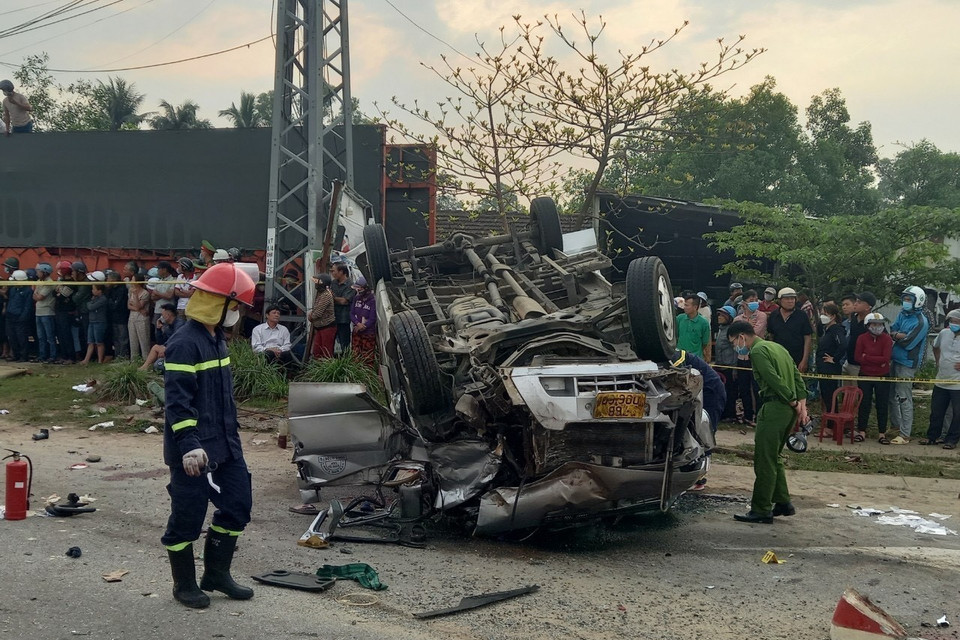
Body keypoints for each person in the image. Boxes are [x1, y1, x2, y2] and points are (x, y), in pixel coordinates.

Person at [161, 263, 257, 609]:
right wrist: (188, 446)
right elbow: (177, 402)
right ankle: (183, 584)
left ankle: (216, 575)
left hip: (226, 445)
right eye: (236, 307)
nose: (237, 314)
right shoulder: (184, 344)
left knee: (237, 506)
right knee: (186, 517)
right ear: (219, 303)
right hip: (193, 449)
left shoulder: (216, 339)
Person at [726, 321, 807, 524]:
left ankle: (761, 508)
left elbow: (772, 379)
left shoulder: (758, 352)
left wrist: (791, 399)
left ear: (742, 336)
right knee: (775, 457)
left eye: (735, 341)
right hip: (787, 410)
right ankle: (782, 502)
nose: (737, 346)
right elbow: (796, 375)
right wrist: (800, 404)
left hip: (774, 407)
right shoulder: (776, 347)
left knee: (764, 460)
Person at [671, 348, 725, 490]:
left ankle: (699, 478)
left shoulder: (675, 355)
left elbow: (677, 375)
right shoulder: (672, 353)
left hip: (710, 392)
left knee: (703, 433)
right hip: (698, 393)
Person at [888, 286, 930, 444]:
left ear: (917, 301)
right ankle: (895, 426)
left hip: (907, 363)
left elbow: (908, 342)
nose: (905, 302)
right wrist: (898, 335)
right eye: (904, 299)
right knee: (891, 395)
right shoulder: (902, 314)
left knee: (904, 397)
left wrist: (897, 336)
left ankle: (905, 434)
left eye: (909, 299)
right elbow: (892, 330)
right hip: (894, 358)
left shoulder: (921, 322)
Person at [921, 309, 960, 448]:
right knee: (936, 412)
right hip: (941, 380)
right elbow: (935, 347)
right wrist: (938, 361)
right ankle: (932, 436)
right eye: (952, 322)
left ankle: (951, 440)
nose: (954, 324)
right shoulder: (944, 333)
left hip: (957, 384)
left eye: (957, 322)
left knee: (957, 414)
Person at [856, 313, 894, 444]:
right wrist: (876, 360)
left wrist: (867, 357)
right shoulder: (861, 338)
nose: (877, 327)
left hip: (882, 376)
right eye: (874, 324)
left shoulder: (887, 339)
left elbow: (886, 358)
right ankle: (861, 432)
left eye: (880, 324)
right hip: (865, 374)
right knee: (863, 403)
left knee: (882, 404)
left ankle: (882, 434)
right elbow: (857, 357)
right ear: (868, 325)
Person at [816, 302, 847, 426]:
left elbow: (843, 344)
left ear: (833, 316)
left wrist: (834, 359)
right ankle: (829, 422)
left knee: (830, 396)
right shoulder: (826, 329)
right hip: (822, 368)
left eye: (825, 314)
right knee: (825, 395)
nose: (822, 316)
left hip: (830, 368)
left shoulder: (836, 329)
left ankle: (831, 426)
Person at [767, 287, 812, 372]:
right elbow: (771, 336)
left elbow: (808, 337)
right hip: (778, 358)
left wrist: (804, 361)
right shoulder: (774, 315)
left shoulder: (802, 315)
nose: (790, 301)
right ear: (780, 301)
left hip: (797, 359)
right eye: (787, 299)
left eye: (792, 298)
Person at [140, 304, 185, 371]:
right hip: (170, 348)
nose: (161, 317)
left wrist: (165, 348)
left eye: (162, 315)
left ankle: (145, 367)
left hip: (180, 350)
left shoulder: (180, 324)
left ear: (168, 315)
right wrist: (158, 329)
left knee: (158, 365)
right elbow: (160, 342)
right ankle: (144, 367)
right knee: (156, 348)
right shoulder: (167, 326)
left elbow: (177, 339)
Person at [713, 305, 739, 422]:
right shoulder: (721, 329)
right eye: (718, 314)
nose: (719, 317)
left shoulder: (731, 330)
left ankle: (730, 415)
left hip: (729, 366)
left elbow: (735, 350)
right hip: (720, 365)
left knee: (730, 392)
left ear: (729, 317)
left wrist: (734, 368)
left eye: (722, 315)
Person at [844, 292, 876, 377]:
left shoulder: (873, 322)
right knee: (845, 389)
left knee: (857, 389)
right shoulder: (854, 317)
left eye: (859, 302)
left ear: (868, 307)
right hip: (848, 361)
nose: (855, 304)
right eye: (856, 301)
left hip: (861, 365)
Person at [53, 261, 78, 363]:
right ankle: (63, 355)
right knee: (60, 335)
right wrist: (57, 293)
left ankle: (71, 357)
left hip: (66, 312)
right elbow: (54, 293)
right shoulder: (62, 281)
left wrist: (57, 293)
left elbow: (61, 296)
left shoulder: (71, 283)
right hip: (59, 311)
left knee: (66, 334)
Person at [4, 270, 31, 362]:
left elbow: (27, 306)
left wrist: (23, 317)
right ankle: (15, 355)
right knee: (12, 337)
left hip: (20, 318)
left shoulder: (27, 291)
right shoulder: (12, 289)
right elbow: (9, 300)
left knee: (21, 338)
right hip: (10, 316)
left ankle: (23, 356)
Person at [350, 276, 378, 365]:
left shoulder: (373, 300)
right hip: (356, 332)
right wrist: (357, 324)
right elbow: (351, 313)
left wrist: (363, 326)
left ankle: (368, 377)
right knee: (355, 356)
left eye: (360, 288)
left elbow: (373, 318)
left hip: (369, 333)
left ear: (366, 288)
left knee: (368, 357)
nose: (358, 290)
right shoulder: (356, 298)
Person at [33, 263, 57, 363]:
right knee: (41, 336)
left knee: (50, 336)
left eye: (38, 271)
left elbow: (39, 297)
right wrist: (36, 294)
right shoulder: (39, 281)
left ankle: (53, 356)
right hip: (38, 312)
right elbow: (34, 296)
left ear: (44, 272)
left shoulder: (49, 283)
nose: (37, 273)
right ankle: (42, 355)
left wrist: (36, 293)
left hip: (47, 312)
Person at [308, 273, 337, 359]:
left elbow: (317, 313)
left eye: (317, 282)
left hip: (327, 327)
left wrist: (311, 316)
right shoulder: (321, 293)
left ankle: (327, 371)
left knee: (326, 352)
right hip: (321, 327)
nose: (315, 284)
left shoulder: (326, 295)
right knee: (317, 352)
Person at [330, 263, 356, 353]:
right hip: (332, 319)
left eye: (334, 271)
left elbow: (344, 301)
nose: (332, 273)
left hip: (343, 319)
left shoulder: (350, 285)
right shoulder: (333, 283)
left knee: (344, 344)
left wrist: (331, 298)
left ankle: (345, 362)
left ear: (341, 272)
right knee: (330, 343)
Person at [677, 293, 711, 360]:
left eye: (687, 305)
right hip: (680, 358)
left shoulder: (704, 323)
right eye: (684, 305)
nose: (684, 307)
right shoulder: (679, 318)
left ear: (695, 307)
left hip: (696, 358)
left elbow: (705, 343)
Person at [80, 284, 108, 365]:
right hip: (92, 321)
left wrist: (89, 303)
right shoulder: (94, 298)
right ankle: (86, 360)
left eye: (94, 289)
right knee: (91, 342)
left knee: (99, 342)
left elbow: (91, 307)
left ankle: (100, 360)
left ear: (99, 291)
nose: (92, 291)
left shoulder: (103, 299)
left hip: (99, 322)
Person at [105, 270, 129, 360]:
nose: (107, 281)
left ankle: (123, 356)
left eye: (108, 279)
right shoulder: (110, 290)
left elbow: (116, 305)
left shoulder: (122, 290)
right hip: (113, 318)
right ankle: (117, 356)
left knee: (122, 338)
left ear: (113, 280)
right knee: (115, 338)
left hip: (121, 317)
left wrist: (110, 302)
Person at [128, 274, 153, 362]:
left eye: (133, 280)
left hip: (142, 319)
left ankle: (146, 360)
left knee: (144, 340)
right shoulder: (130, 291)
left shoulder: (145, 293)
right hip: (132, 317)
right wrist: (138, 309)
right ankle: (134, 361)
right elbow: (129, 306)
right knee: (133, 340)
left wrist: (135, 296)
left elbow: (139, 305)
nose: (131, 281)